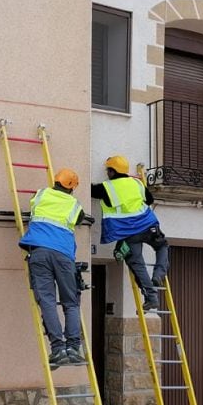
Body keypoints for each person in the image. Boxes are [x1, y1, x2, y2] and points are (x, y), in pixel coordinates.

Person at [19, 169, 89, 369]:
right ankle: (73, 348)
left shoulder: (40, 195)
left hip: (39, 253)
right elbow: (79, 219)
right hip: (63, 256)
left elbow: (33, 206)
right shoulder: (75, 205)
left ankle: (57, 349)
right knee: (71, 302)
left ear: (56, 181)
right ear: (72, 188)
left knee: (47, 301)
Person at [91, 155, 168, 313]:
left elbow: (91, 191)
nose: (107, 173)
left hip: (128, 232)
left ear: (112, 172)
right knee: (162, 246)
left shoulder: (107, 187)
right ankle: (159, 274)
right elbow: (149, 199)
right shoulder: (137, 183)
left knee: (137, 264)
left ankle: (151, 297)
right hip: (148, 225)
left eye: (108, 170)